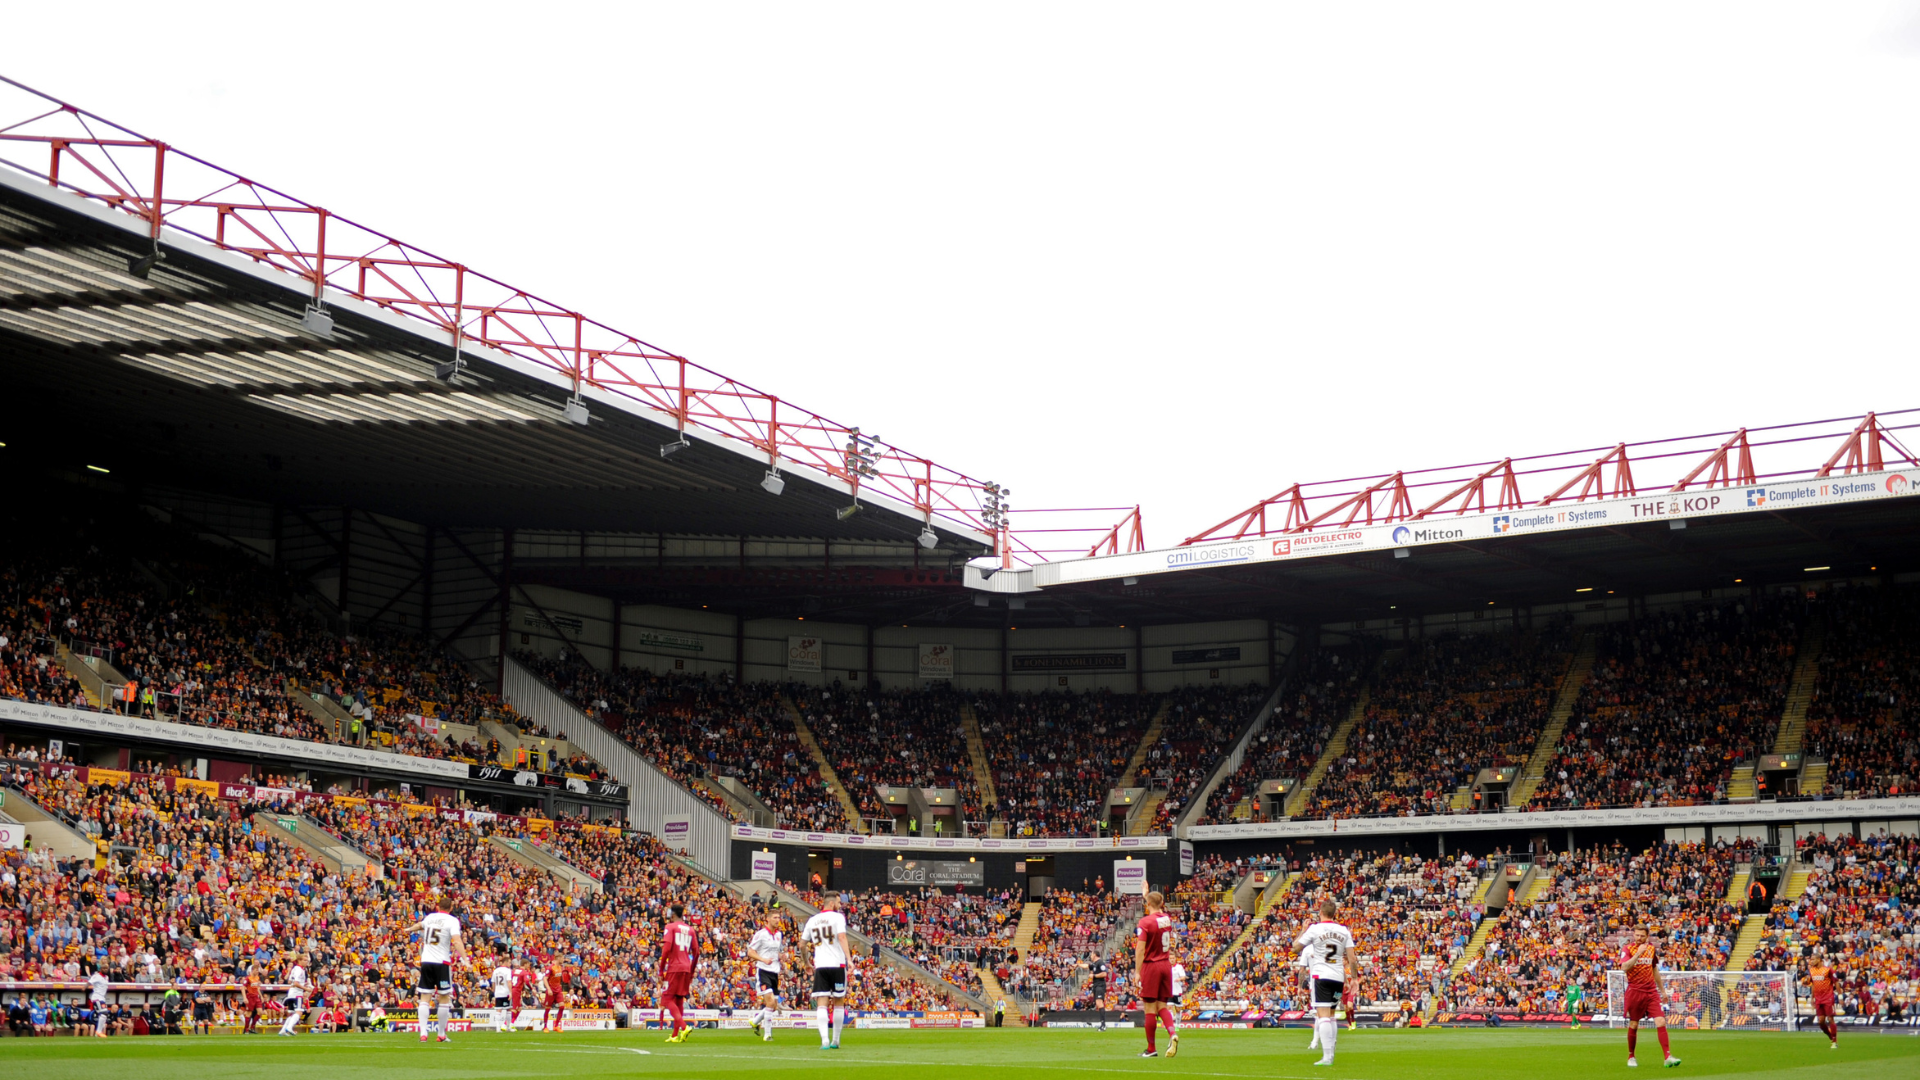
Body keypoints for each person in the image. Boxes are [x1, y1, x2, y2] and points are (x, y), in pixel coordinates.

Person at [1295, 898, 1356, 1068]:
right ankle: (1331, 1051)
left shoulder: (1314, 930)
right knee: (1331, 1015)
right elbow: (1351, 958)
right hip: (1338, 978)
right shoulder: (1344, 930)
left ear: (1320, 913)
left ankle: (1327, 1057)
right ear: (1334, 914)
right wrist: (1354, 979)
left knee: (1323, 1017)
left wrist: (1302, 930)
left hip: (1321, 977)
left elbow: (1294, 948)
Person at [1620, 927, 1680, 1068]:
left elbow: (1654, 970)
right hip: (1635, 991)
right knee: (1634, 1024)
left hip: (1651, 991)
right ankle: (1631, 1056)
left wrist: (1662, 991)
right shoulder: (1627, 949)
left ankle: (1667, 1056)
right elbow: (1624, 967)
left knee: (1660, 1021)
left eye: (1642, 935)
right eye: (1637, 935)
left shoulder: (1651, 949)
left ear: (1647, 936)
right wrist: (1638, 954)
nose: (1639, 937)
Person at [406, 906, 466, 1043]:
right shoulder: (452, 920)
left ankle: (423, 1034)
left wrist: (409, 929)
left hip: (426, 961)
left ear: (438, 907)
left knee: (424, 998)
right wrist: (465, 959)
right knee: (444, 998)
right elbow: (456, 941)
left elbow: (419, 925)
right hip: (441, 962)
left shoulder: (430, 917)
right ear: (450, 907)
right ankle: (441, 1034)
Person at [1134, 890, 1179, 1059]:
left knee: (1149, 1008)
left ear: (1147, 905)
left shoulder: (1145, 922)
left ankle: (1151, 1048)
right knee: (1162, 1006)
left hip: (1151, 965)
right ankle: (1172, 1033)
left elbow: (1140, 948)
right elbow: (1156, 906)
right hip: (1166, 964)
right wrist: (1147, 894)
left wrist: (1137, 972)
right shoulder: (1166, 919)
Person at [802, 894, 851, 1050]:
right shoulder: (838, 917)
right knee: (838, 1001)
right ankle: (835, 1040)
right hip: (837, 964)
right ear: (831, 903)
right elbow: (842, 937)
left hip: (821, 966)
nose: (840, 905)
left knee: (822, 1002)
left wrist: (806, 962)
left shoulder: (812, 920)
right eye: (838, 902)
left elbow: (802, 944)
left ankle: (824, 1040)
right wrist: (849, 959)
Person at [659, 902, 699, 1044]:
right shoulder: (690, 929)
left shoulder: (670, 927)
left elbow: (666, 949)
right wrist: (691, 969)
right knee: (679, 999)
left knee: (667, 999)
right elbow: (697, 951)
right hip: (686, 967)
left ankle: (684, 1027)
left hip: (674, 967)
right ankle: (675, 1035)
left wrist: (661, 970)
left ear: (673, 914)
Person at [747, 911, 784, 1041]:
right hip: (763, 971)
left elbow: (775, 952)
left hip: (775, 972)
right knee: (770, 1001)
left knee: (773, 1005)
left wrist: (781, 957)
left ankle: (755, 1021)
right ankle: (767, 1035)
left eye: (778, 917)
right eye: (775, 917)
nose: (777, 920)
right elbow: (750, 952)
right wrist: (762, 959)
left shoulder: (779, 935)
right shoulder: (761, 934)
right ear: (767, 919)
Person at [1807, 953, 1838, 1050]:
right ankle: (1830, 1035)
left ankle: (1834, 1041)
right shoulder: (1812, 970)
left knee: (1830, 1019)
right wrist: (1812, 997)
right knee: (1821, 1021)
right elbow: (1813, 984)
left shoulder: (1828, 970)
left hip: (1828, 997)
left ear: (1819, 960)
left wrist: (1840, 995)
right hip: (1818, 998)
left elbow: (1836, 981)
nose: (1811, 961)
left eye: (1813, 959)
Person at [278, 954, 311, 1037]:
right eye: (304, 960)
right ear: (299, 960)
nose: (306, 962)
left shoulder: (294, 968)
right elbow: (296, 983)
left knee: (292, 1013)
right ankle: (289, 1028)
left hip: (291, 992)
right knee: (299, 1012)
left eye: (307, 960)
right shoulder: (300, 970)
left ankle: (282, 1030)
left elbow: (290, 981)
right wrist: (306, 988)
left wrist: (303, 983)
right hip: (297, 993)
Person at [490, 959, 514, 1032]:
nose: (510, 964)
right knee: (509, 1009)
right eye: (509, 962)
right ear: (505, 962)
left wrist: (494, 992)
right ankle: (508, 1027)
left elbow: (493, 982)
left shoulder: (496, 971)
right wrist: (510, 992)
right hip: (506, 992)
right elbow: (509, 981)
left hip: (498, 993)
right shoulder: (508, 970)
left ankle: (498, 1028)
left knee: (498, 1010)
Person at [88, 967, 111, 1037]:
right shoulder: (96, 976)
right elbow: (89, 982)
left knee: (104, 1015)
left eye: (106, 968)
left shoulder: (106, 977)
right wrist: (84, 987)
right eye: (104, 968)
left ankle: (97, 1033)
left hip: (102, 998)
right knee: (104, 1013)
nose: (105, 969)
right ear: (100, 969)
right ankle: (98, 1032)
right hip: (97, 998)